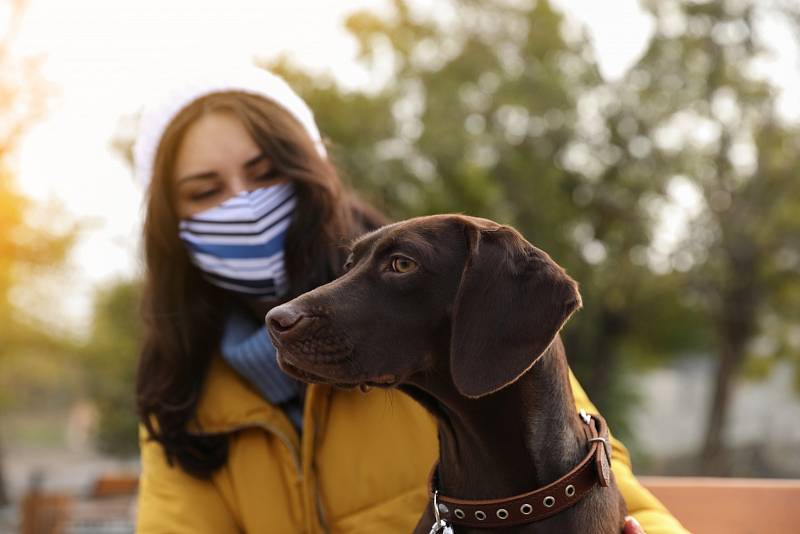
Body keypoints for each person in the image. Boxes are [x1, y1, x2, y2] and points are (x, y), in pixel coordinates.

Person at [132, 65, 687, 534]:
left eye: (265, 173)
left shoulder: (459, 312)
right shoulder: (180, 400)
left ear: (313, 176)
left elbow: (605, 487)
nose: (245, 206)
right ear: (169, 225)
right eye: (206, 192)